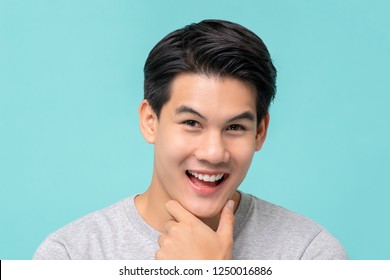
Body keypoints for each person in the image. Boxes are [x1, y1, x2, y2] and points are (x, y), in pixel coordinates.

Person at [33, 19, 347, 260]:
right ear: (150, 121)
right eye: (192, 123)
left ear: (260, 132)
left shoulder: (310, 254)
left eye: (235, 127)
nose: (213, 152)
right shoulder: (70, 255)